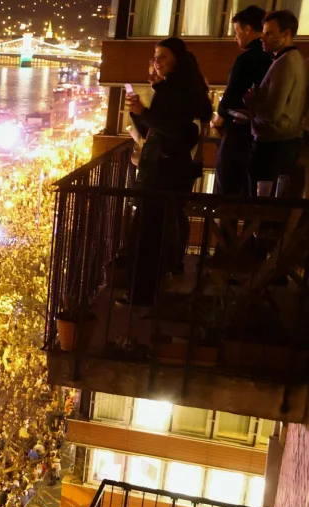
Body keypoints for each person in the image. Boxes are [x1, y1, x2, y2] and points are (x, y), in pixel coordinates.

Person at [124, 37, 213, 307]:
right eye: (155, 56)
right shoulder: (173, 88)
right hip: (165, 169)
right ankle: (147, 291)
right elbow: (155, 129)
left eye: (162, 56)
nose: (156, 62)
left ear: (177, 60)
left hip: (162, 172)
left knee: (150, 234)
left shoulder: (178, 91)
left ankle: (144, 294)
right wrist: (138, 113)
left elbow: (174, 131)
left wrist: (144, 112)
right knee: (154, 232)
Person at [245, 9, 307, 197]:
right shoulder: (291, 59)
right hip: (283, 141)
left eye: (269, 33)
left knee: (262, 200)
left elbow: (273, 111)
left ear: (286, 33)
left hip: (274, 144)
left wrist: (251, 104)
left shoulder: (285, 62)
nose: (263, 38)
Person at [215, 5, 273, 195]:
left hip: (239, 135)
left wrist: (222, 114)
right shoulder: (273, 58)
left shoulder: (246, 59)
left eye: (237, 31)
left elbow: (230, 99)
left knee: (228, 191)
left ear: (247, 29)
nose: (235, 37)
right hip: (264, 136)